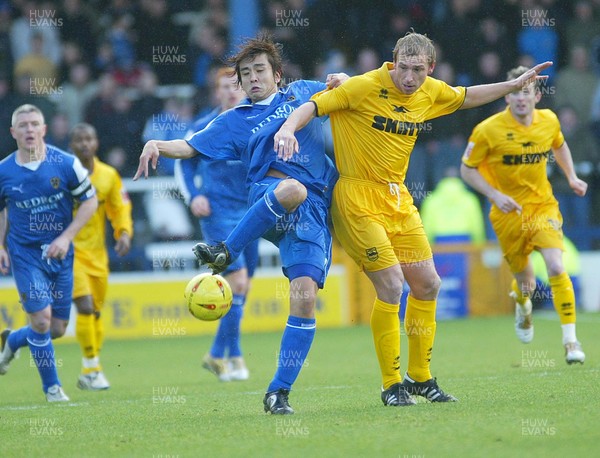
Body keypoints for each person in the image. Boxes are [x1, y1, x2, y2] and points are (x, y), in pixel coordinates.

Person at [274, 31, 552, 406]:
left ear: (430, 68)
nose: (409, 77)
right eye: (403, 68)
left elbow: (467, 96)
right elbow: (313, 107)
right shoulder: (362, 86)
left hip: (398, 197)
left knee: (428, 284)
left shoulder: (431, 91)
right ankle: (391, 386)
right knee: (391, 286)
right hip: (356, 197)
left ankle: (419, 377)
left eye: (417, 70)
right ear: (393, 62)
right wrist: (288, 129)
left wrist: (514, 84)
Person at [135, 34, 346, 415]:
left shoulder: (302, 92)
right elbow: (190, 147)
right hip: (268, 194)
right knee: (292, 188)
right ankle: (226, 250)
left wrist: (343, 78)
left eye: (259, 70)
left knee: (304, 297)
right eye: (244, 73)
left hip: (314, 213)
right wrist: (157, 145)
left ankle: (277, 392)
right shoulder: (233, 120)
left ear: (278, 75)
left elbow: (345, 92)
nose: (251, 78)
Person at [460, 66, 586, 364]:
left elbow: (560, 144)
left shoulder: (549, 121)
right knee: (526, 283)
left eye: (525, 92)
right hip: (507, 214)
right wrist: (495, 195)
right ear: (507, 96)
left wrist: (571, 176)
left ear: (537, 96)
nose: (519, 98)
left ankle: (570, 341)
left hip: (542, 207)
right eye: (514, 92)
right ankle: (524, 305)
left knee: (556, 265)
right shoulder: (488, 130)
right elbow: (467, 169)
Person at [0, 104, 97, 402]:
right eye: (23, 125)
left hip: (59, 255)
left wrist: (67, 238)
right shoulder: (3, 171)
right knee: (40, 321)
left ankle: (12, 341)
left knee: (55, 328)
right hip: (25, 253)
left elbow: (90, 202)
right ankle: (52, 388)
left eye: (34, 124)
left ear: (43, 130)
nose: (29, 129)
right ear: (13, 132)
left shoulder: (66, 163)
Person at [174, 67, 258, 382]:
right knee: (237, 284)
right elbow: (183, 164)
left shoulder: (256, 122)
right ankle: (234, 359)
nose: (232, 90)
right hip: (218, 212)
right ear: (217, 91)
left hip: (251, 212)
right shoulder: (203, 126)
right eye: (225, 86)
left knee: (244, 287)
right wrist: (194, 195)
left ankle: (215, 355)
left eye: (237, 85)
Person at [70, 123, 133, 390]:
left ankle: (89, 370)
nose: (85, 144)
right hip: (69, 253)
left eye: (89, 139)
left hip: (97, 255)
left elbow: (119, 207)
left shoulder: (109, 175)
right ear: (71, 145)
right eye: (79, 140)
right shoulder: (63, 174)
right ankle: (93, 367)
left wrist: (124, 233)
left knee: (94, 311)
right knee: (84, 306)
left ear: (96, 143)